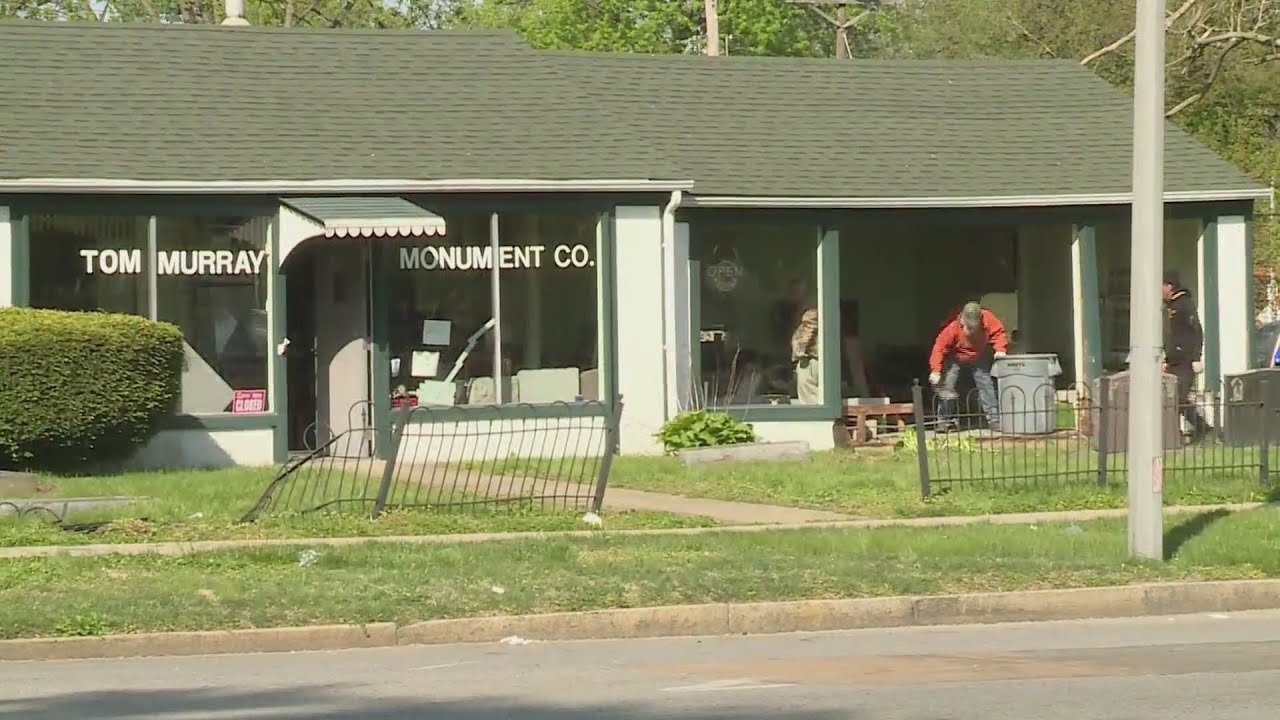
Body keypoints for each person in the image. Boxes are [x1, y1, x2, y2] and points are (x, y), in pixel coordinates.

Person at [928, 301, 1008, 428]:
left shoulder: (988, 318)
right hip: (956, 357)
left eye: (973, 327)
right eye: (968, 327)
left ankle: (994, 421)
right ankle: (943, 422)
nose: (970, 331)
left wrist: (1000, 349)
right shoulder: (952, 328)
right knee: (947, 387)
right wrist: (936, 371)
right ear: (962, 321)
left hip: (978, 355)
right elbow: (939, 348)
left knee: (986, 385)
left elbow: (999, 333)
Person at [1162, 270, 1210, 440]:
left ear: (1169, 286)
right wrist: (1167, 358)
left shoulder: (1184, 305)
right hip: (1174, 360)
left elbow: (1196, 331)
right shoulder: (1171, 306)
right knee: (1171, 398)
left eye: (1162, 286)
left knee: (1179, 398)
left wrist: (1196, 357)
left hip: (1185, 361)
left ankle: (1204, 429)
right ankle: (1175, 435)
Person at [791, 303, 821, 404]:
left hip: (808, 365)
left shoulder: (811, 316)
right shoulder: (826, 326)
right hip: (817, 365)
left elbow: (809, 330)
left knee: (811, 404)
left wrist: (800, 350)